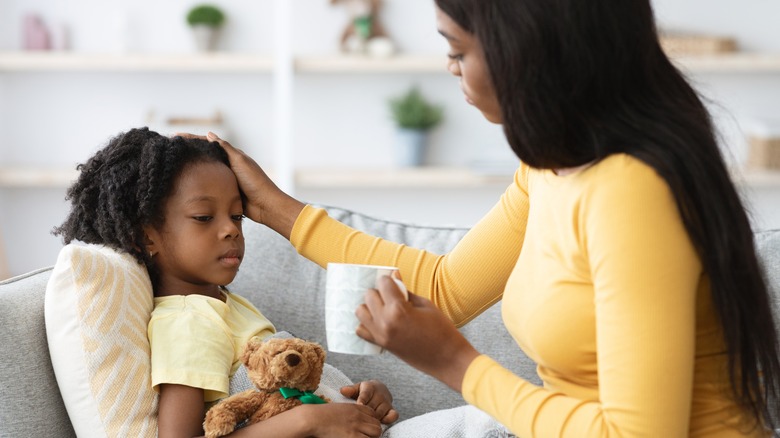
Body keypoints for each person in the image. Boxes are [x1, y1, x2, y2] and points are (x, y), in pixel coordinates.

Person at [195, 0, 780, 436]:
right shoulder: (553, 168)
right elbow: (447, 287)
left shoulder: (634, 194)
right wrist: (270, 204)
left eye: (457, 50)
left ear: (527, 50)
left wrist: (453, 362)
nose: (450, 68)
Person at [53, 127, 398, 438]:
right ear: (147, 237)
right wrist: (306, 421)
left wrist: (361, 395)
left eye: (236, 216)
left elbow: (285, 390)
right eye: (204, 217)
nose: (231, 229)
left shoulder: (225, 306)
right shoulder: (188, 321)